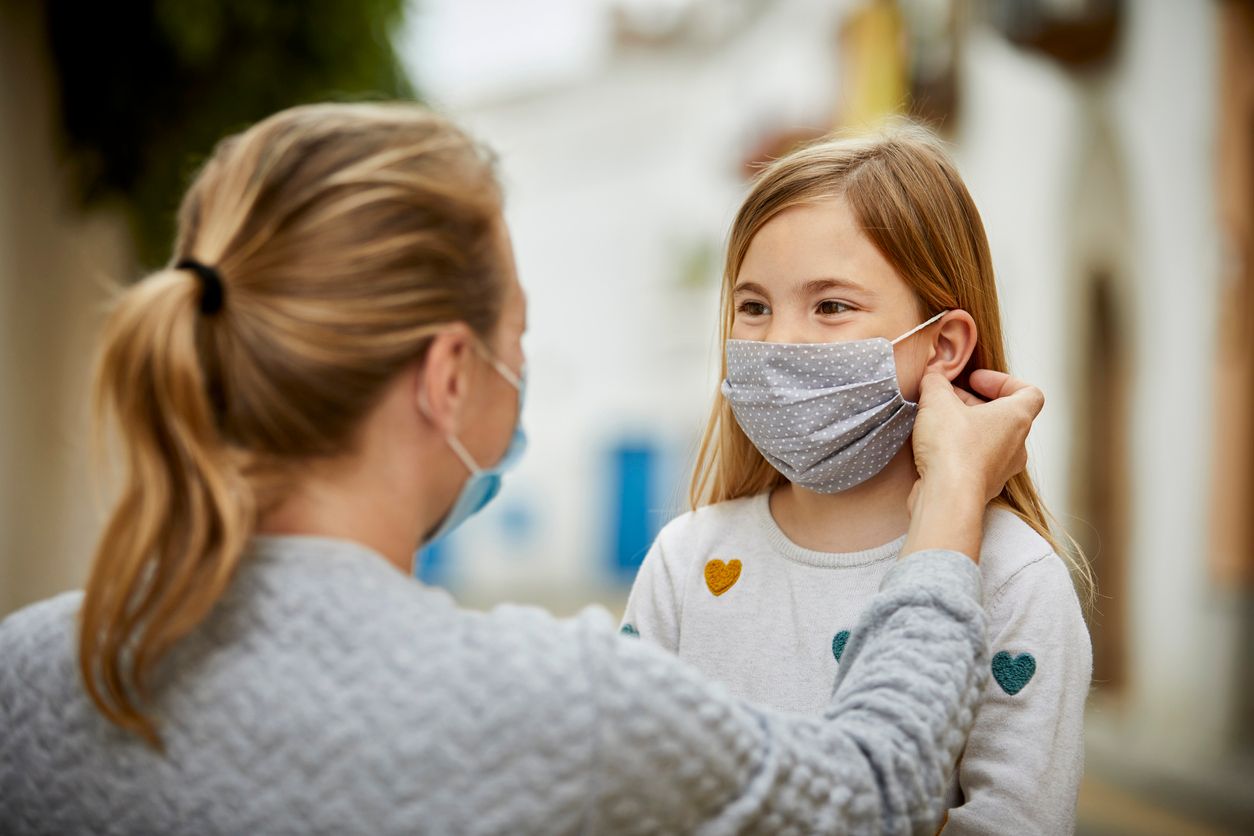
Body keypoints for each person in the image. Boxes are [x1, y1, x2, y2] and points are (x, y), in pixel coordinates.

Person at [0, 103, 1041, 835]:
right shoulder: (558, 705)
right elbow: (875, 793)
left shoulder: (31, 672)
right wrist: (951, 494)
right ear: (450, 374)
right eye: (518, 335)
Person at [620, 125, 1092, 834]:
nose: (779, 343)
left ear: (944, 345)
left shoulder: (1016, 580)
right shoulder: (685, 562)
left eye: (832, 306)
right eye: (753, 307)